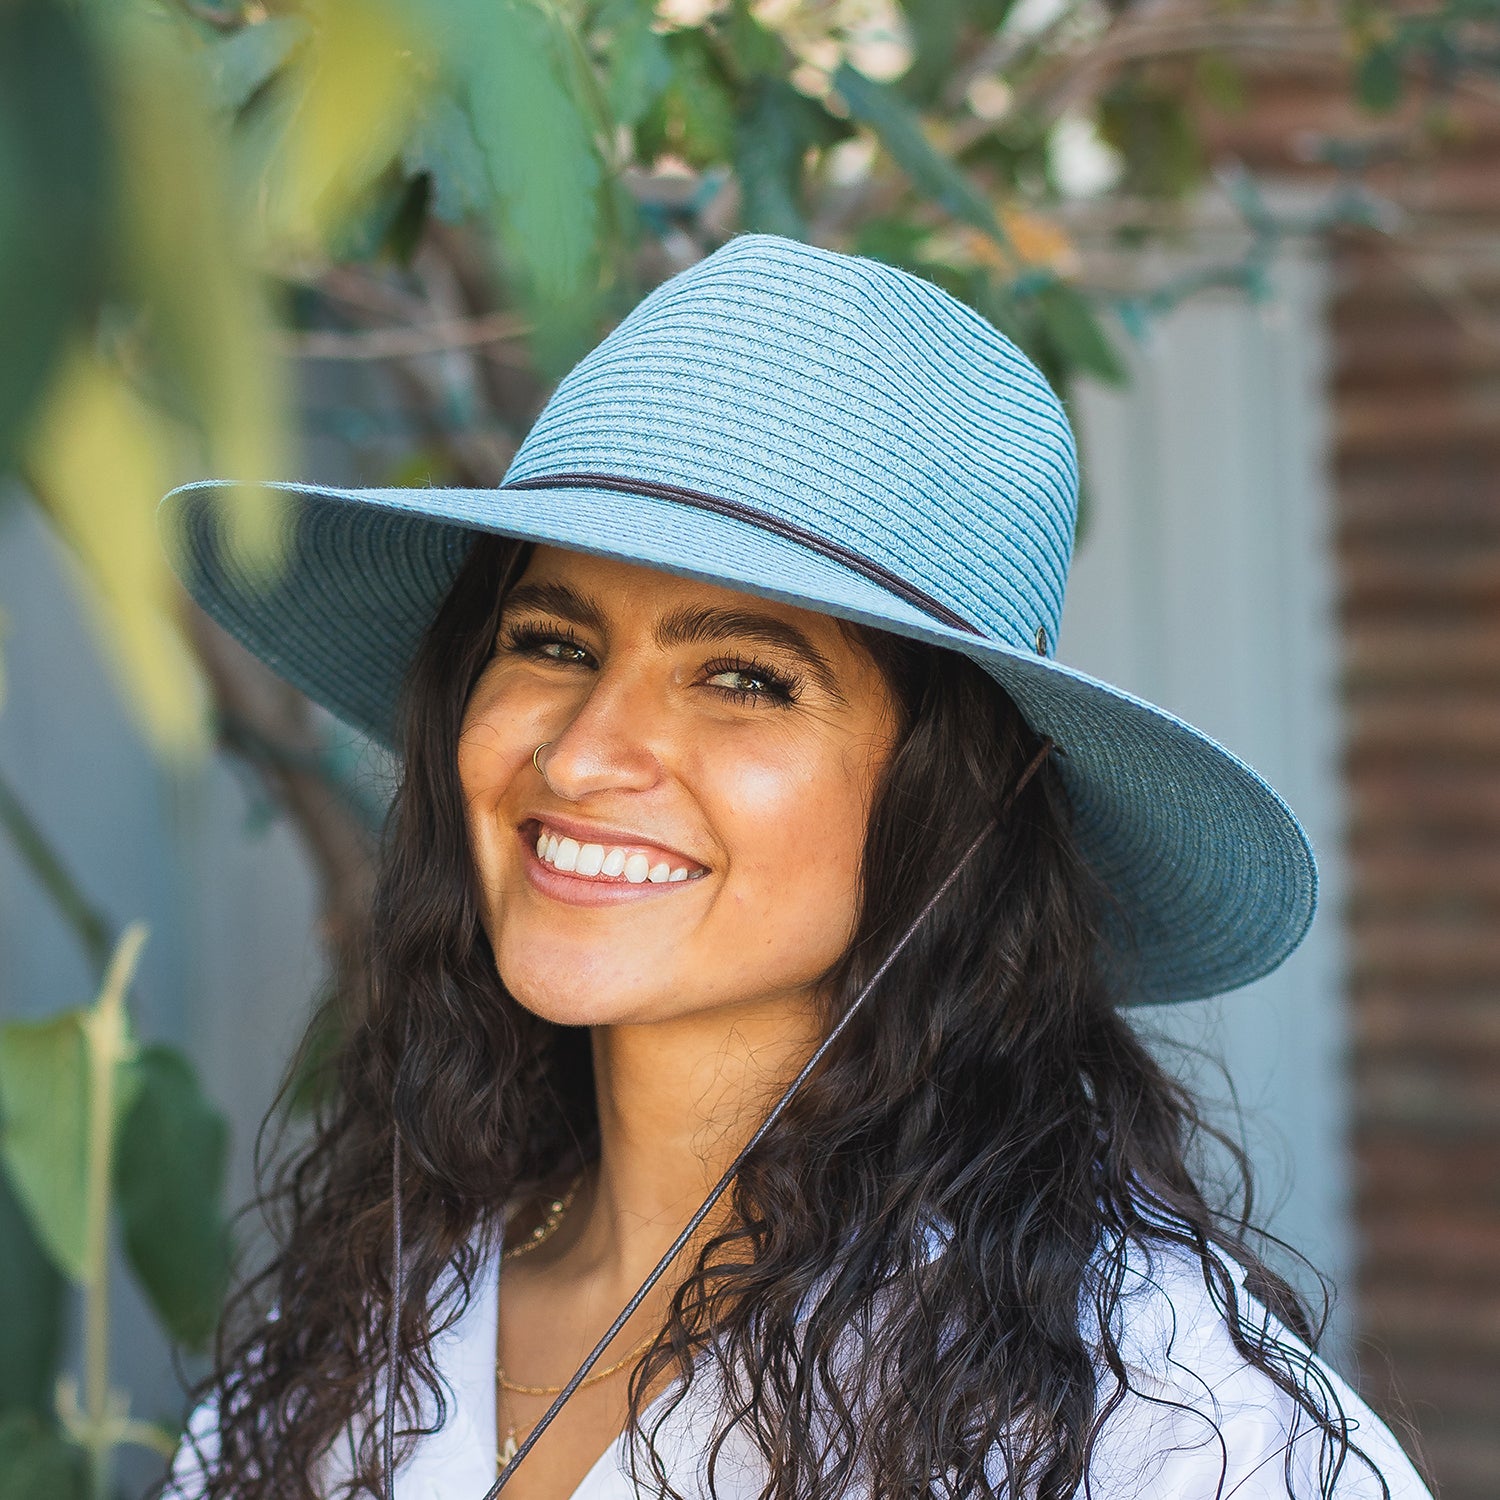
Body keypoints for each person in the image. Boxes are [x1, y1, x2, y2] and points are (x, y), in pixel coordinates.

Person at [158, 235, 1430, 1500]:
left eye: (745, 679)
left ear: (964, 798)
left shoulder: (1166, 1426)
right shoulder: (356, 1341)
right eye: (551, 642)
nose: (586, 754)